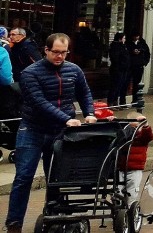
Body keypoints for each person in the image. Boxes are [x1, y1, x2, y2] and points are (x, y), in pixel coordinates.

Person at [5, 33, 96, 233]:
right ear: (46, 50)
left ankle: (54, 218)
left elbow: (84, 93)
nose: (60, 57)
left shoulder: (74, 70)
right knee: (24, 176)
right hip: (33, 129)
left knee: (57, 177)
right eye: (56, 52)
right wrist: (65, 118)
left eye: (64, 53)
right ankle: (14, 223)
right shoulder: (30, 73)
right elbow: (38, 102)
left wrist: (89, 113)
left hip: (60, 132)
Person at [107, 32, 131, 106]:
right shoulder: (115, 46)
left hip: (123, 69)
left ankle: (115, 102)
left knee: (119, 86)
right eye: (124, 38)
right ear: (120, 39)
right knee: (114, 86)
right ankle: (111, 102)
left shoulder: (123, 46)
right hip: (117, 69)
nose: (125, 40)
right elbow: (115, 58)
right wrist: (121, 64)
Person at [127, 34, 150, 100]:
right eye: (135, 36)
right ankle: (123, 101)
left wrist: (144, 62)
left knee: (136, 84)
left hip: (139, 66)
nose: (136, 37)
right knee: (126, 83)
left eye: (137, 36)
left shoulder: (143, 44)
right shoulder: (129, 43)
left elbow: (147, 54)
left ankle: (135, 100)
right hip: (130, 66)